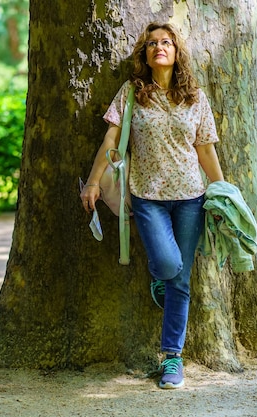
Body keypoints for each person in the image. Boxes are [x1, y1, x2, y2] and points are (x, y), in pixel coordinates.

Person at [80, 22, 224, 389]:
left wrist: (223, 191)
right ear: (144, 54)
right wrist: (94, 182)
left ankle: (172, 359)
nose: (159, 47)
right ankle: (161, 280)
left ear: (177, 51)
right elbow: (111, 139)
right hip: (148, 198)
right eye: (151, 44)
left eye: (166, 42)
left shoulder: (196, 98)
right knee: (168, 265)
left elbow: (205, 149)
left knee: (182, 281)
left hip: (191, 197)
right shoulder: (131, 93)